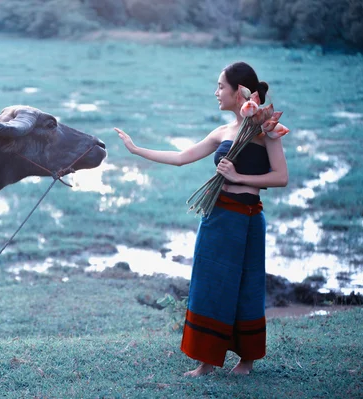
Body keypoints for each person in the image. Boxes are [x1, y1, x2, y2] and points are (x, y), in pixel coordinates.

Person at [115, 61, 289, 376]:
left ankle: (246, 360)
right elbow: (182, 158)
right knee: (209, 285)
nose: (216, 92)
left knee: (247, 285)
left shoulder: (266, 131)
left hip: (249, 219)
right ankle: (206, 362)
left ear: (240, 93)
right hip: (218, 217)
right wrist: (137, 149)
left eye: (220, 86)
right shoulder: (222, 131)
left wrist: (238, 178)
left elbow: (281, 177)